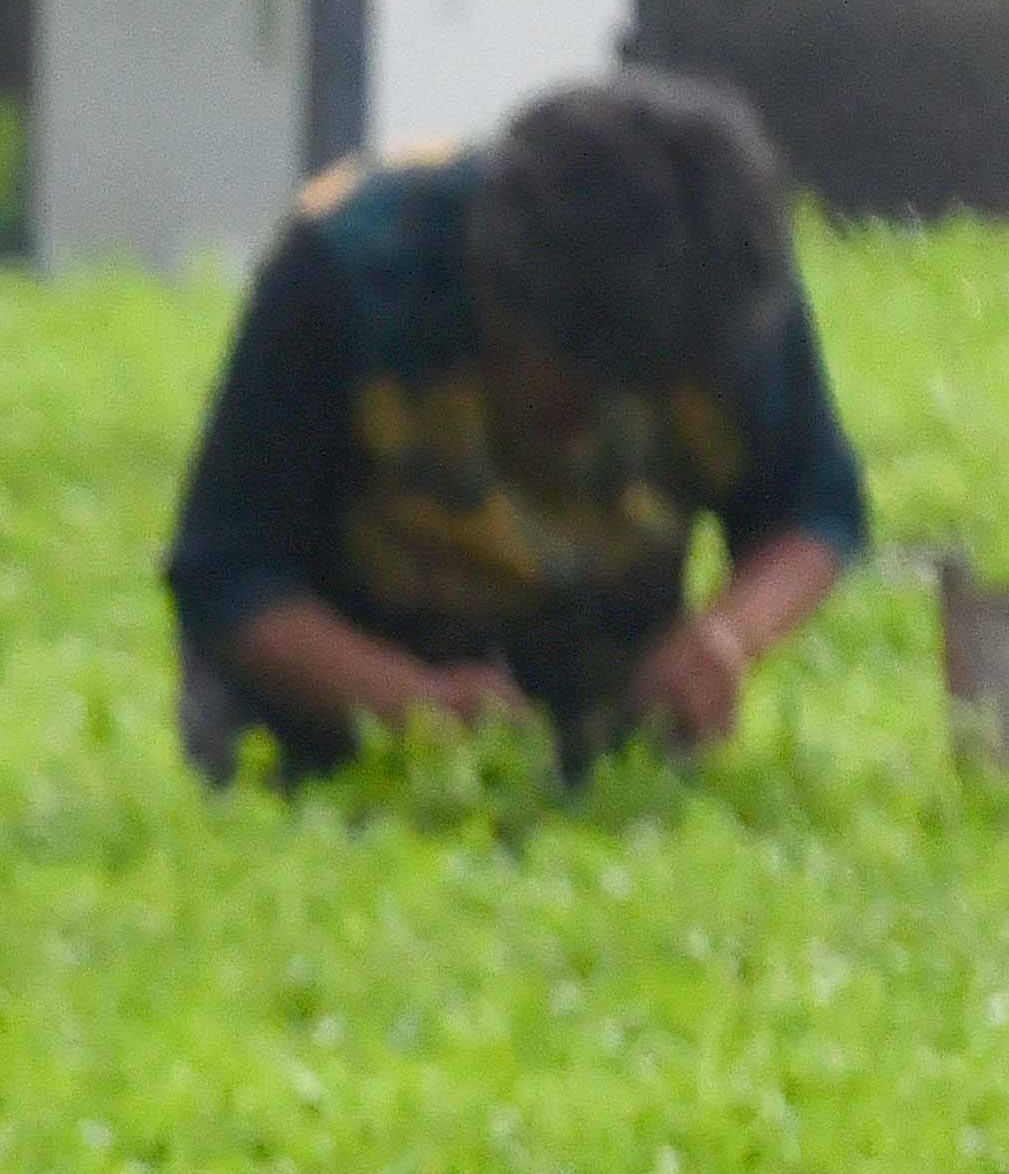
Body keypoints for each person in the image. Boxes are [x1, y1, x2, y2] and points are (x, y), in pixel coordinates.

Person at [163, 67, 871, 784]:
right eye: (570, 384)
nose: (584, 431)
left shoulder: (721, 288)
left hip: (612, 732)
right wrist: (409, 704)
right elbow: (227, 573)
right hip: (325, 728)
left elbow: (814, 509)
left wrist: (724, 638)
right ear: (495, 291)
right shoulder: (346, 267)